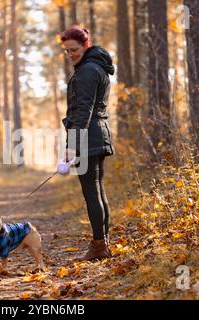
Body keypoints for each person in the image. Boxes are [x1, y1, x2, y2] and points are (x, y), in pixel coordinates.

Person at [60, 25, 115, 261]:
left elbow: (83, 110)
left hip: (88, 137)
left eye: (74, 49)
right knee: (98, 191)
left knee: (92, 193)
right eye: (67, 51)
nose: (71, 54)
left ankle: (99, 246)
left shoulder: (87, 71)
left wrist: (72, 144)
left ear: (86, 45)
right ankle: (102, 242)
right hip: (97, 134)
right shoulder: (96, 67)